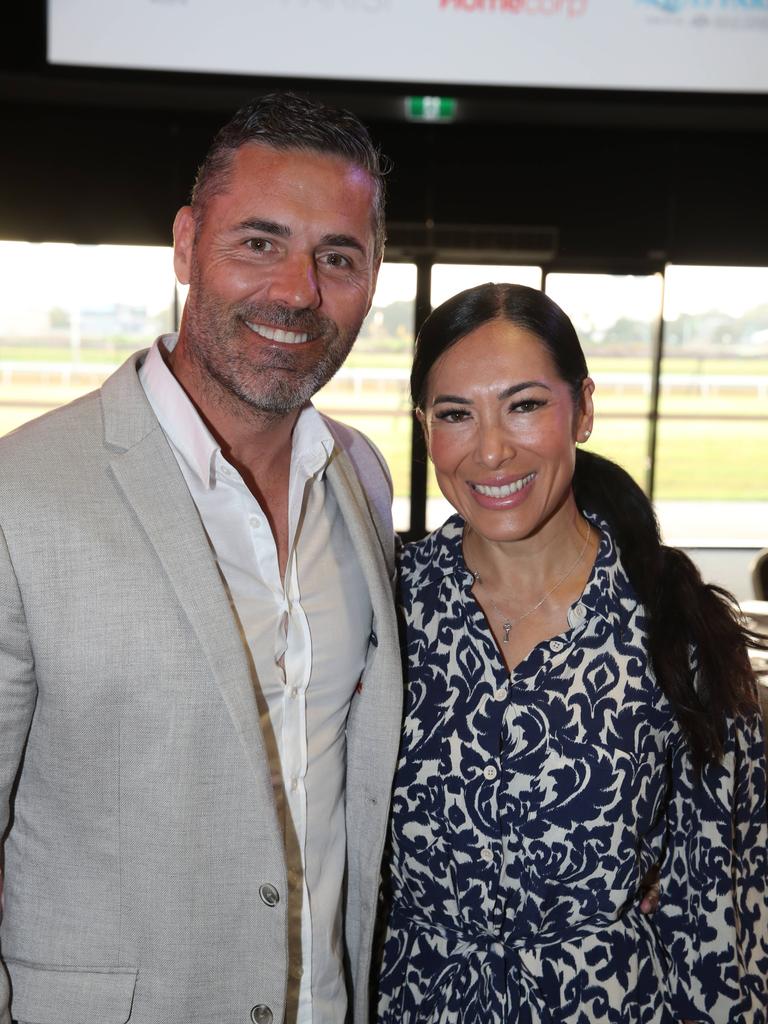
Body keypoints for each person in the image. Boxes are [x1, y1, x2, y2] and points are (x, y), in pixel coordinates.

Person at [0, 92, 404, 1024]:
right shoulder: (23, 496)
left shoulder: (361, 479)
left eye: (337, 257)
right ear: (186, 246)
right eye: (259, 243)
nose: (298, 291)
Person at [376, 282, 768, 1023]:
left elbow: (718, 902)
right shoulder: (381, 605)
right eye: (456, 414)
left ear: (582, 408)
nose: (490, 450)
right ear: (425, 427)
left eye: (524, 405)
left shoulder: (673, 626)